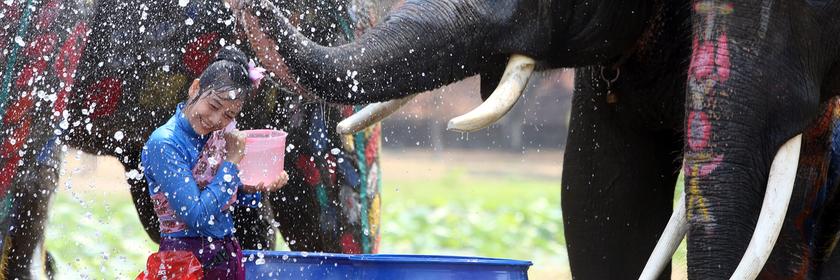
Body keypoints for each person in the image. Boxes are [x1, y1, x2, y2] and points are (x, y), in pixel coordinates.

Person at [138, 46, 287, 279]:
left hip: (226, 257)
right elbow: (196, 215)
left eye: (229, 115)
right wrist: (231, 164)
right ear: (195, 88)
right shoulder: (165, 143)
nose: (216, 119)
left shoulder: (219, 135)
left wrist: (253, 186)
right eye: (214, 105)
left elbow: (225, 202)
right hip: (185, 263)